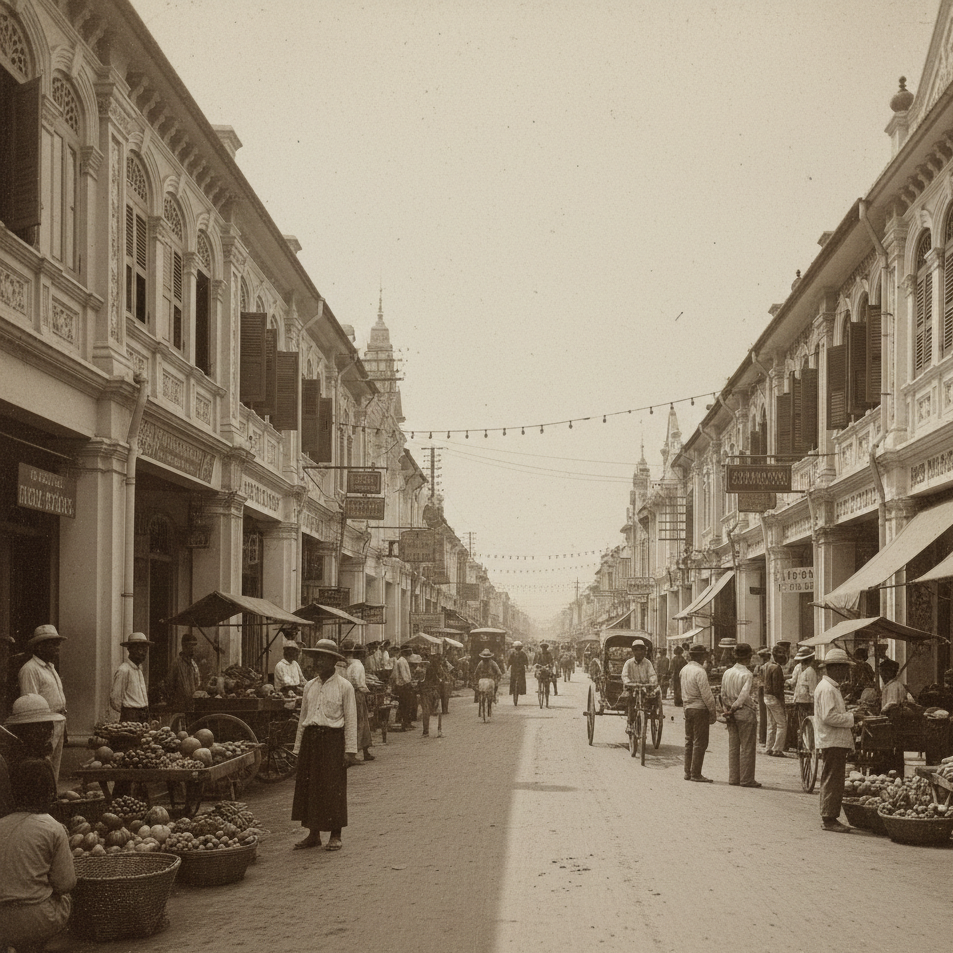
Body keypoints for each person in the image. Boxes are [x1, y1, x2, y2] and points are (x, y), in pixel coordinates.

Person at [0, 759, 76, 951]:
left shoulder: (1, 824)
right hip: (37, 920)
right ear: (49, 791)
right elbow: (65, 883)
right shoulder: (52, 827)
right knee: (66, 896)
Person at [291, 639, 358, 851]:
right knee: (310, 787)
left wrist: (350, 751)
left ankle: (336, 834)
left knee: (333, 787)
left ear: (333, 661)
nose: (318, 662)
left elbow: (351, 719)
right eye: (316, 658)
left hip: (332, 741)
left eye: (323, 658)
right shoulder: (309, 686)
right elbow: (303, 718)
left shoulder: (345, 686)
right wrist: (297, 747)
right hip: (311, 740)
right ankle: (313, 834)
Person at [814, 648, 861, 832]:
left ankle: (829, 815)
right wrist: (852, 718)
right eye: (844, 669)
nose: (846, 673)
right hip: (832, 740)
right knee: (833, 779)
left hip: (834, 740)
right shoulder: (827, 689)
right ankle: (829, 818)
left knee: (833, 778)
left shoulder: (831, 687)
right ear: (835, 668)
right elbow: (829, 717)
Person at [17, 625, 68, 784]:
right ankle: (44, 800)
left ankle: (52, 801)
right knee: (44, 764)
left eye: (57, 643)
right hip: (43, 726)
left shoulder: (50, 668)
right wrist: (39, 731)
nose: (57, 648)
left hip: (58, 720)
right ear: (39, 646)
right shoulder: (30, 669)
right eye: (52, 644)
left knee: (54, 765)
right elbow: (29, 703)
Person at [2, 697, 64, 817]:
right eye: (40, 728)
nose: (48, 733)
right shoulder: (34, 766)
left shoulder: (33, 758)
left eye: (48, 726)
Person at [721, 642, 760, 788]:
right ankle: (746, 779)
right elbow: (743, 696)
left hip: (730, 711)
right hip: (743, 711)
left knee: (734, 746)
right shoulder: (747, 674)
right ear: (749, 657)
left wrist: (727, 709)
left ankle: (733, 777)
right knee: (747, 747)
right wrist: (735, 707)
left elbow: (722, 694)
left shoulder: (727, 673)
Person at [680, 643, 718, 782]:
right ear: (701, 656)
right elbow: (707, 695)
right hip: (699, 709)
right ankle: (695, 773)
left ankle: (687, 772)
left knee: (689, 741)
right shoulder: (700, 672)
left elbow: (682, 691)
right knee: (700, 742)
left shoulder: (684, 669)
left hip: (688, 708)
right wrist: (713, 712)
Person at [109, 632, 153, 723]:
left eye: (145, 650)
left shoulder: (139, 670)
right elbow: (115, 699)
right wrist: (128, 713)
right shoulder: (124, 670)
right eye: (138, 649)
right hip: (131, 716)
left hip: (143, 714)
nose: (142, 653)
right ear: (130, 649)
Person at [341, 642, 374, 761]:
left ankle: (365, 751)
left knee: (362, 723)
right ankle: (353, 755)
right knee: (360, 723)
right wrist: (366, 690)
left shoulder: (350, 665)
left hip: (353, 693)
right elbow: (356, 681)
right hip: (357, 694)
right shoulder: (358, 665)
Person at [761, 645, 789, 757]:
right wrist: (782, 702)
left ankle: (768, 747)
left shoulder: (767, 666)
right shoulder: (776, 668)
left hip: (766, 696)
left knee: (771, 723)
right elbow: (777, 688)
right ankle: (777, 749)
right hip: (774, 697)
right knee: (782, 724)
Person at [166, 633, 202, 711]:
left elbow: (198, 684)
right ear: (184, 646)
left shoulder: (194, 665)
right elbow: (169, 684)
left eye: (194, 645)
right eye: (190, 645)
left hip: (192, 705)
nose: (193, 648)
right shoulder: (176, 664)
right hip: (179, 705)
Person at [413, 650, 441, 737]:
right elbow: (438, 679)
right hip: (433, 691)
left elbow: (417, 681)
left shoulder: (419, 669)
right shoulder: (434, 667)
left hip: (425, 692)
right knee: (436, 710)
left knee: (426, 711)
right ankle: (439, 731)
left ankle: (426, 732)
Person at [791, 647, 819, 728]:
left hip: (798, 699)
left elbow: (793, 681)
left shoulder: (798, 667)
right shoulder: (811, 671)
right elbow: (812, 691)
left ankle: (802, 739)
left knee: (801, 722)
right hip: (807, 702)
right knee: (808, 724)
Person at [391, 645, 415, 731]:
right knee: (406, 705)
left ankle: (404, 722)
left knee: (404, 705)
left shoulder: (403, 660)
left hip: (404, 685)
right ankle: (405, 723)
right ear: (404, 652)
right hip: (403, 686)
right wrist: (409, 683)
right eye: (408, 651)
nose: (410, 653)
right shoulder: (401, 661)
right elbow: (404, 675)